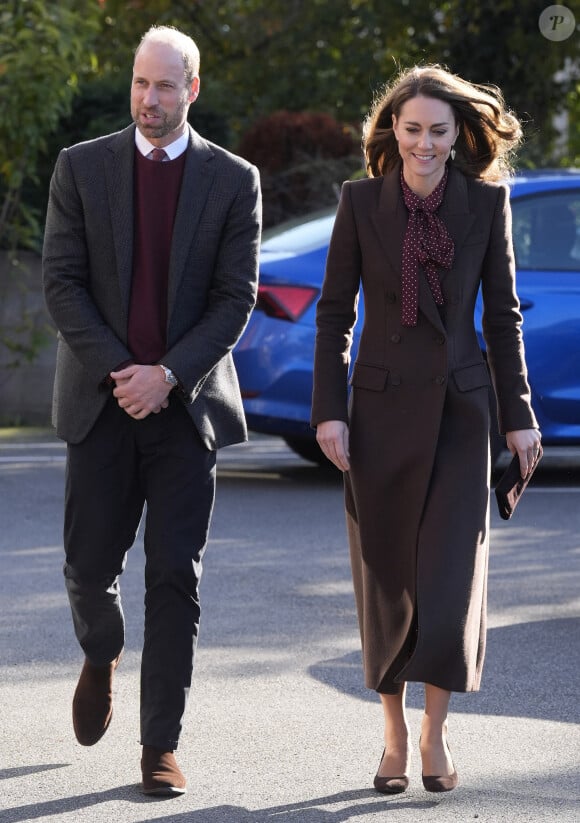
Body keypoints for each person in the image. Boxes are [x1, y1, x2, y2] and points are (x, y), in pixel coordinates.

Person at [43, 25, 261, 796]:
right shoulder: (81, 167)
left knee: (175, 576)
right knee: (86, 570)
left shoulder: (233, 180)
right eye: (142, 82)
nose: (150, 98)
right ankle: (101, 652)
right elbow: (62, 282)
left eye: (166, 85)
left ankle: (159, 745)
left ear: (192, 90)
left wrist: (167, 374)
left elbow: (236, 297)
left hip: (185, 411)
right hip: (101, 407)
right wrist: (123, 373)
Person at [311, 65, 541, 794]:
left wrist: (520, 418)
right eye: (411, 129)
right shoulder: (359, 204)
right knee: (388, 585)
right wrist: (329, 409)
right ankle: (392, 732)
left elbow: (502, 317)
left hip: (459, 417)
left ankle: (436, 733)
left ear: (457, 135)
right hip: (376, 418)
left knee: (447, 587)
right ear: (393, 133)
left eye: (438, 131)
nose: (424, 144)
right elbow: (333, 315)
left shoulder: (484, 205)